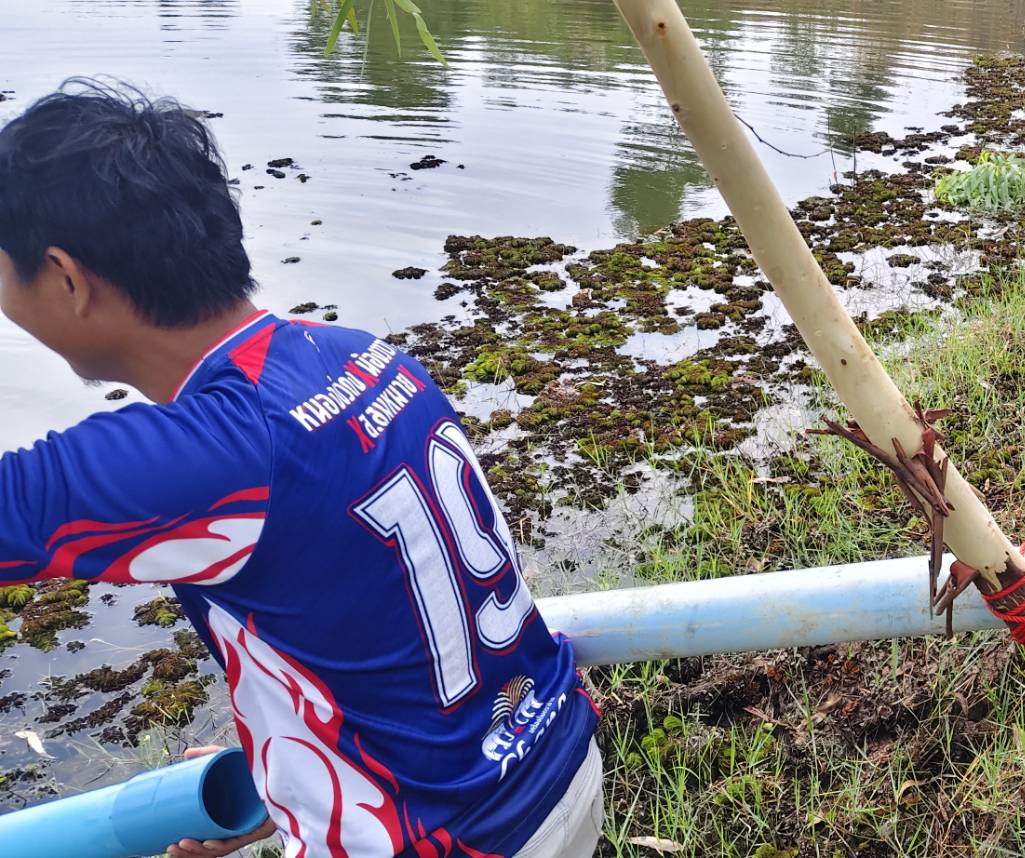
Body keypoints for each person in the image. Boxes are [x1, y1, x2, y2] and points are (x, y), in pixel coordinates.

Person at [0, 80, 603, 858]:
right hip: (557, 763)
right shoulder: (366, 356)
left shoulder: (211, 452)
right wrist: (290, 771)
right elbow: (367, 612)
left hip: (448, 840)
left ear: (64, 278)